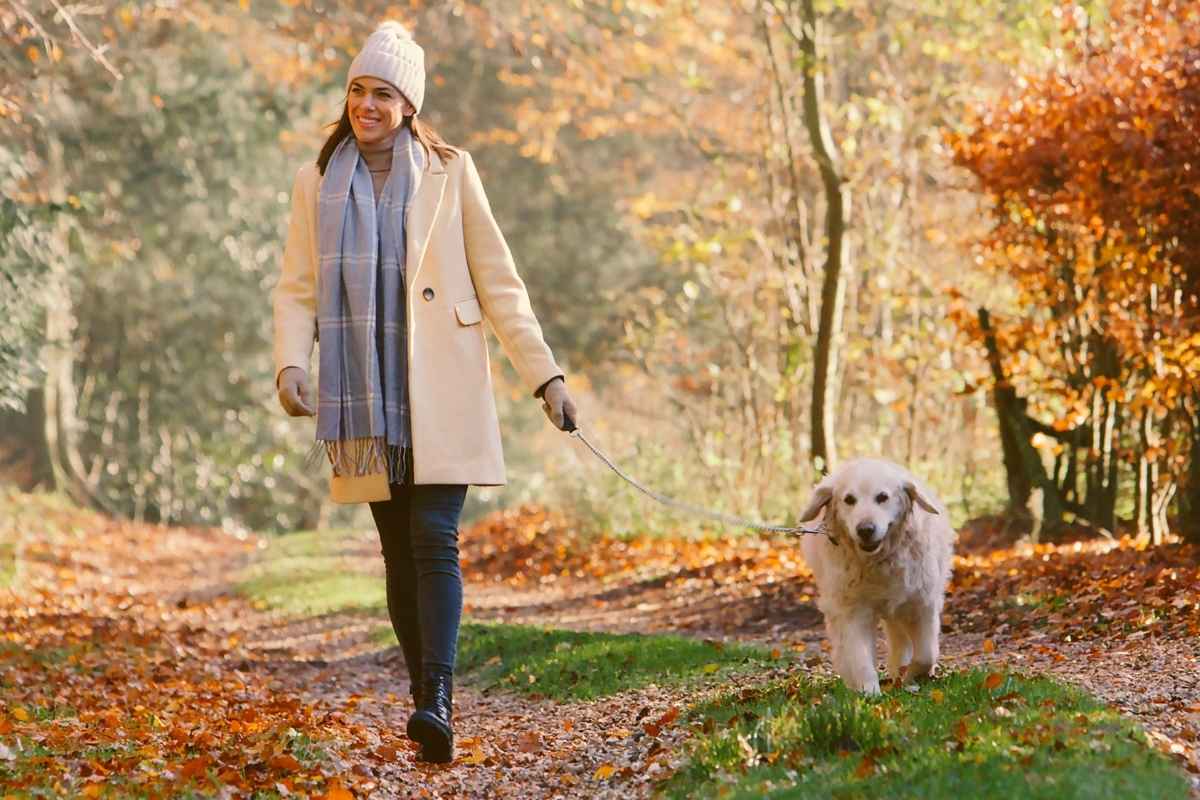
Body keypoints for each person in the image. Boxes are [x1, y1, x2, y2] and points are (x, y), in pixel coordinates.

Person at [269, 20, 578, 763]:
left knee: (433, 540)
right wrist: (290, 365)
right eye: (356, 90)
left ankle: (436, 696)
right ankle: (423, 699)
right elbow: (295, 289)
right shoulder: (317, 180)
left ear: (408, 104)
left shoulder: (450, 170)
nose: (365, 105)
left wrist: (546, 375)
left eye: (382, 93)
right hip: (361, 396)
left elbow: (500, 283)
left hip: (439, 386)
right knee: (396, 553)